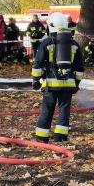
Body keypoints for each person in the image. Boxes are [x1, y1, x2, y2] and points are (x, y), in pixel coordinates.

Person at [32, 12, 84, 143]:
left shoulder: (46, 42)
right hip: (68, 85)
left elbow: (37, 64)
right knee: (64, 111)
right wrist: (76, 83)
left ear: (51, 26)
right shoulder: (74, 44)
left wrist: (36, 80)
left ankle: (42, 137)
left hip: (50, 84)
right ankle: (60, 137)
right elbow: (79, 67)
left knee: (47, 110)